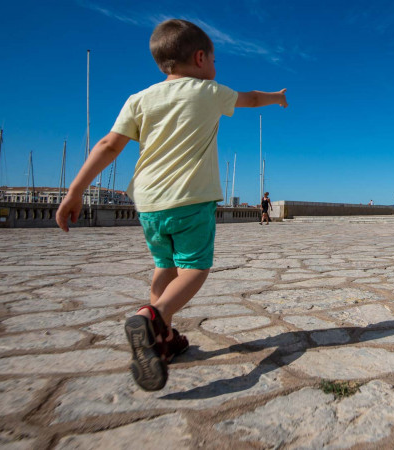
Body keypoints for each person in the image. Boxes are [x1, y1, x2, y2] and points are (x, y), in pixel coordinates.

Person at [55, 19, 288, 391]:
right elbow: (251, 98)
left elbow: (108, 146)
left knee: (164, 264)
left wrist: (75, 191)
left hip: (147, 205)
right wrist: (276, 97)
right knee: (195, 269)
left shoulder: (139, 99)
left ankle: (162, 340)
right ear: (199, 58)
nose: (216, 68)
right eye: (214, 60)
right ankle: (154, 317)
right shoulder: (208, 90)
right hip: (190, 200)